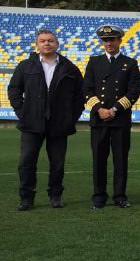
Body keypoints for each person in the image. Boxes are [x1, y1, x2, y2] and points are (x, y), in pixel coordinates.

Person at [8, 29, 84, 210]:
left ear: (57, 44)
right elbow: (14, 91)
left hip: (59, 125)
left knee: (57, 163)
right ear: (37, 44)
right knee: (26, 162)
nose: (47, 43)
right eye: (42, 41)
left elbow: (80, 97)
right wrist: (23, 112)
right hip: (31, 124)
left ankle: (55, 195)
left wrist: (71, 118)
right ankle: (26, 198)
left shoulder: (70, 68)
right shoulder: (26, 66)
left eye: (50, 40)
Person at [84, 24, 140, 209]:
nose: (109, 43)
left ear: (119, 40)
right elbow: (87, 90)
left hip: (120, 120)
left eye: (112, 39)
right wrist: (100, 109)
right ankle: (99, 196)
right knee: (98, 160)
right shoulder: (93, 62)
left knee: (120, 160)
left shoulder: (130, 63)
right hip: (99, 120)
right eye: (105, 40)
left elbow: (134, 92)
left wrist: (114, 109)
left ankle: (120, 196)